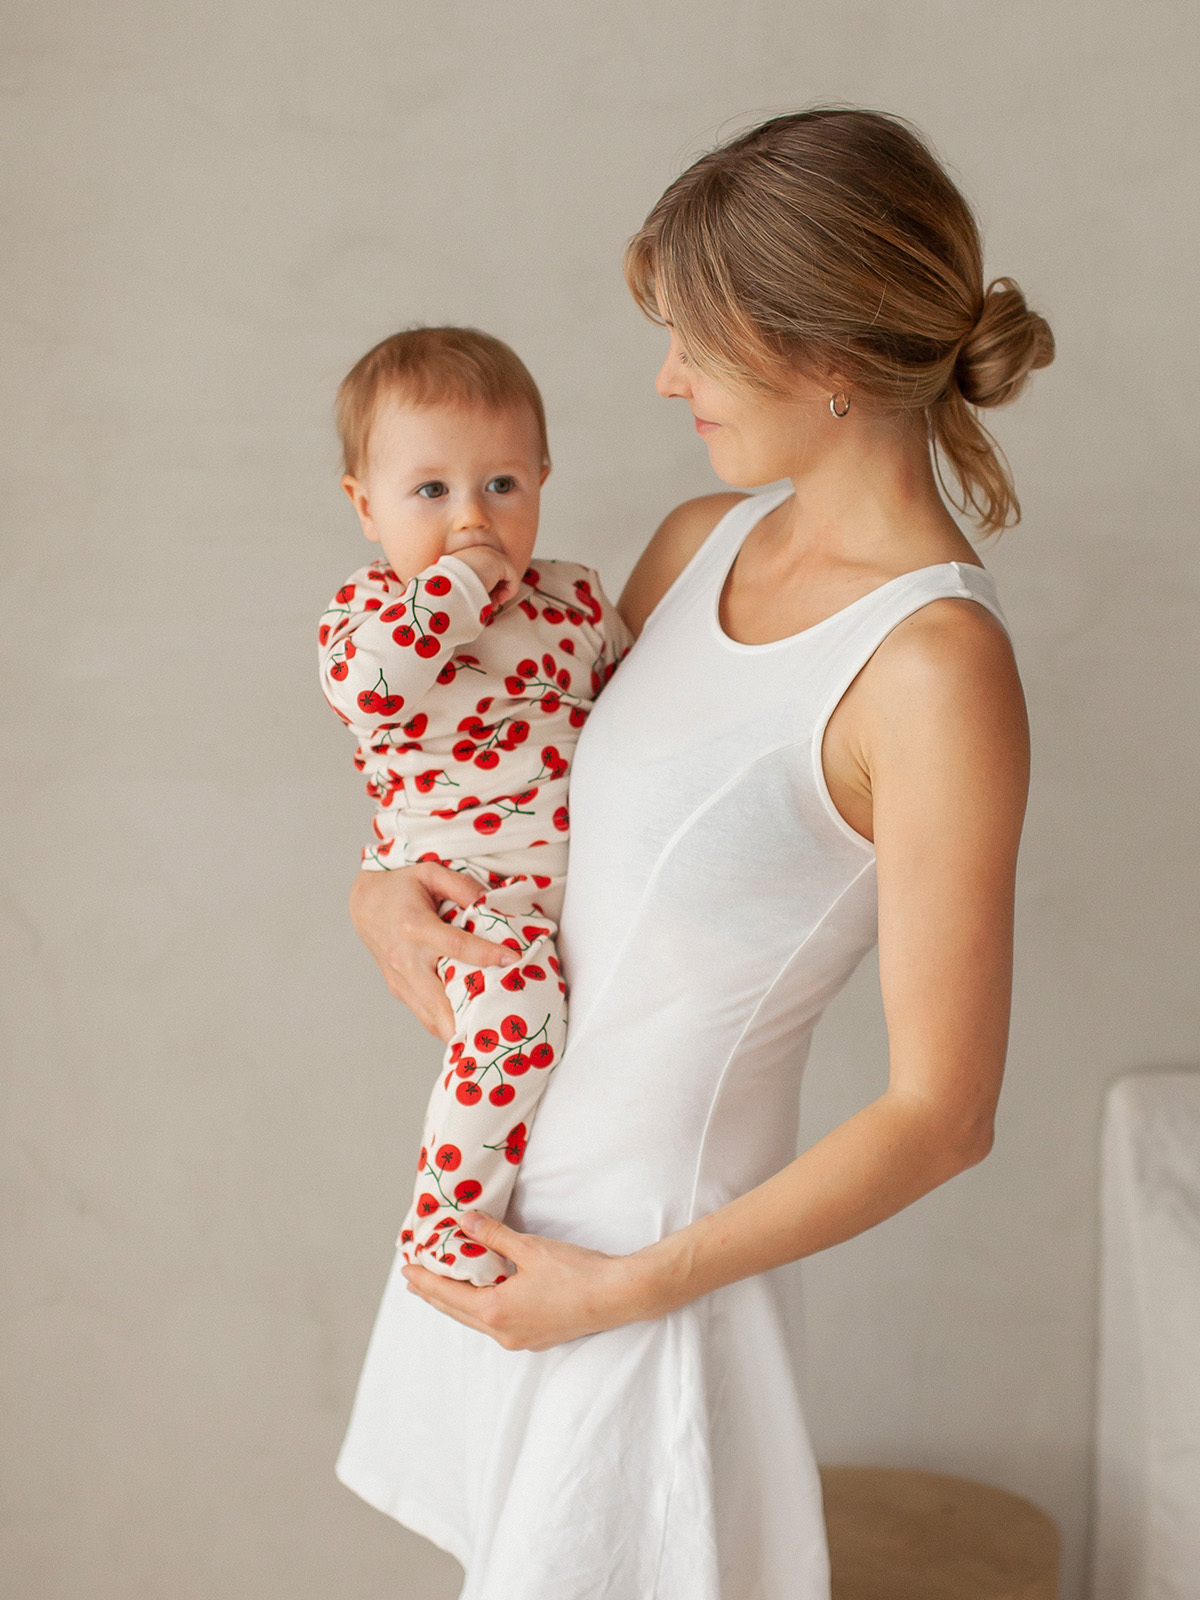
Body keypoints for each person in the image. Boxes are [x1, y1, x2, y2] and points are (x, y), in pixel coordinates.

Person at [334, 108, 1053, 1600]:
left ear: (824, 353)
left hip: (644, 1286)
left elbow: (944, 1113)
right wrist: (378, 888)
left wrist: (624, 1292)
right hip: (507, 1210)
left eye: (697, 343)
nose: (666, 378)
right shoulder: (691, 546)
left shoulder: (934, 668)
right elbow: (508, 778)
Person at [319, 327, 630, 1286]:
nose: (470, 519)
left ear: (541, 482)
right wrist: (453, 591)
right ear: (364, 506)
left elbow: (638, 708)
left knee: (577, 1055)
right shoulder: (373, 615)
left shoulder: (574, 600)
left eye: (501, 485)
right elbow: (367, 690)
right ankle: (445, 1223)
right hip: (467, 894)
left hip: (580, 894)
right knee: (517, 1017)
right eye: (430, 491)